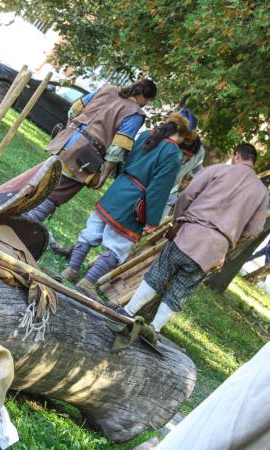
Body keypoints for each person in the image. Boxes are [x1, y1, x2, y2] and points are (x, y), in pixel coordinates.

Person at [123, 143, 269, 336]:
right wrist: (229, 239)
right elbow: (255, 229)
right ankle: (154, 329)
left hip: (189, 232)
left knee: (159, 273)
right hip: (215, 250)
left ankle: (127, 312)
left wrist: (178, 221)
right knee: (182, 289)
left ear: (236, 155)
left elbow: (187, 195)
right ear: (252, 161)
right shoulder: (261, 193)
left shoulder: (217, 170)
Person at [61, 112, 196, 299]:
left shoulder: (146, 135)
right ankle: (88, 282)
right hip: (134, 202)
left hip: (118, 189)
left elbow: (127, 162)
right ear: (187, 135)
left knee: (91, 231)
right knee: (118, 247)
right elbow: (158, 189)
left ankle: (71, 270)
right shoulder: (173, 154)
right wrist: (151, 220)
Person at [27, 79, 157, 222]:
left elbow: (74, 110)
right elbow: (117, 150)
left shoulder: (107, 89)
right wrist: (103, 176)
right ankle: (21, 226)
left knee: (40, 183)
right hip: (83, 158)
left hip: (63, 144)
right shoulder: (135, 114)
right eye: (149, 100)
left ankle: (14, 217)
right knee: (55, 194)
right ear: (146, 97)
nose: (146, 104)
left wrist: (70, 133)